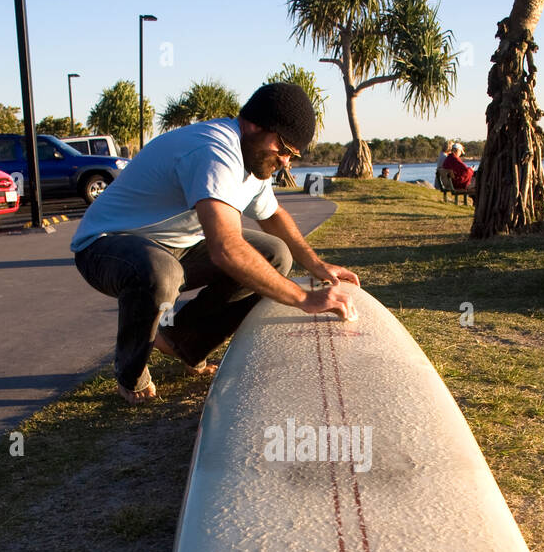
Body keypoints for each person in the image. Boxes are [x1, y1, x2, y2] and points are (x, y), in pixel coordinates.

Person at [70, 83, 359, 404]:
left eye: (293, 155)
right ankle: (130, 374)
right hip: (105, 245)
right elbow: (226, 249)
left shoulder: (254, 160)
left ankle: (182, 342)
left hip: (174, 246)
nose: (286, 162)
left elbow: (273, 216)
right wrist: (305, 298)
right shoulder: (214, 151)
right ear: (253, 125)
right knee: (160, 273)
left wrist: (317, 265)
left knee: (274, 254)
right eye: (284, 148)